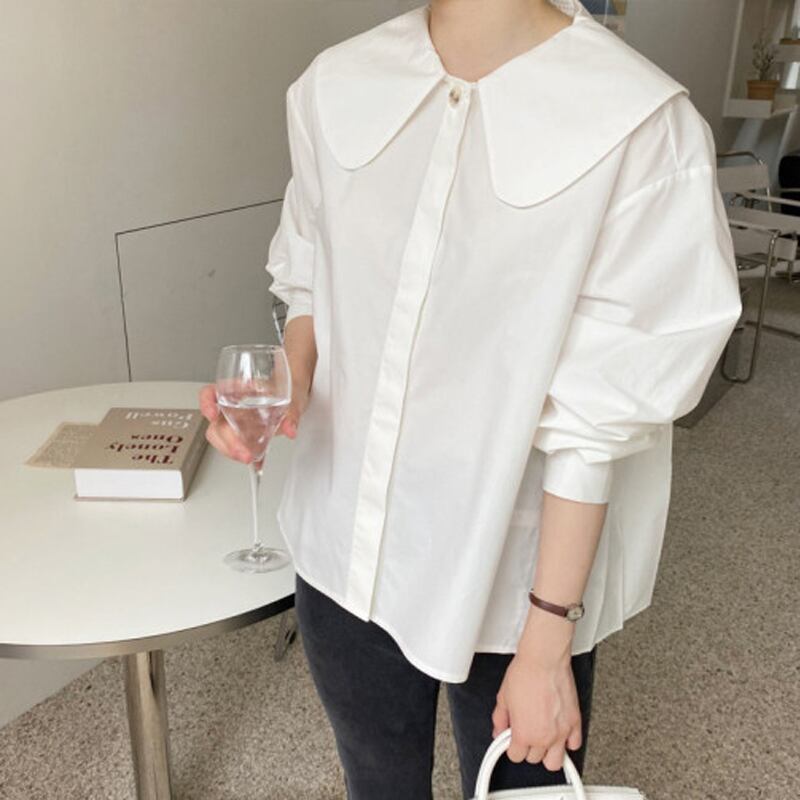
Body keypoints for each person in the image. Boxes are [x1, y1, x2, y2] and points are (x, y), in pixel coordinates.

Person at [199, 0, 742, 797]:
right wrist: (292, 382)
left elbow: (600, 414)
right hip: (343, 552)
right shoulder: (335, 83)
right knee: (377, 783)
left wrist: (548, 639)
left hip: (510, 581)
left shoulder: (640, 124)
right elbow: (312, 273)